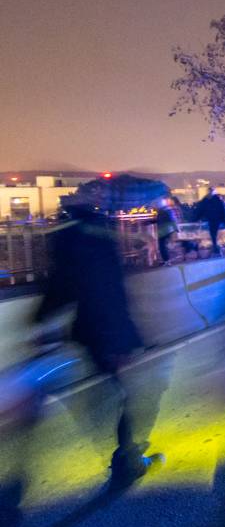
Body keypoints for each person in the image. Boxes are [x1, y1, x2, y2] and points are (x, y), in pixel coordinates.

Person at [33, 202, 156, 487]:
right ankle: (127, 460)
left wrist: (41, 323)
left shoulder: (67, 246)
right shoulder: (98, 245)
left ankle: (125, 454)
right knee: (130, 394)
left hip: (85, 332)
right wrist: (125, 340)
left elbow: (59, 289)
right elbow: (112, 295)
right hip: (108, 334)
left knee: (113, 393)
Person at [195, 188, 225, 256]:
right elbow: (224, 211)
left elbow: (199, 210)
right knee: (214, 235)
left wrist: (195, 219)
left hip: (211, 221)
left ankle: (214, 248)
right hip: (215, 221)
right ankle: (216, 248)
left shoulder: (206, 200)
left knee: (213, 235)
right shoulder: (218, 200)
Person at [154, 196, 179, 264]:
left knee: (162, 246)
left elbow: (171, 221)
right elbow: (172, 220)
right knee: (165, 245)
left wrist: (175, 230)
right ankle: (167, 260)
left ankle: (167, 260)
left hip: (163, 231)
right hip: (166, 230)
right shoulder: (167, 210)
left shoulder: (164, 211)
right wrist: (176, 229)